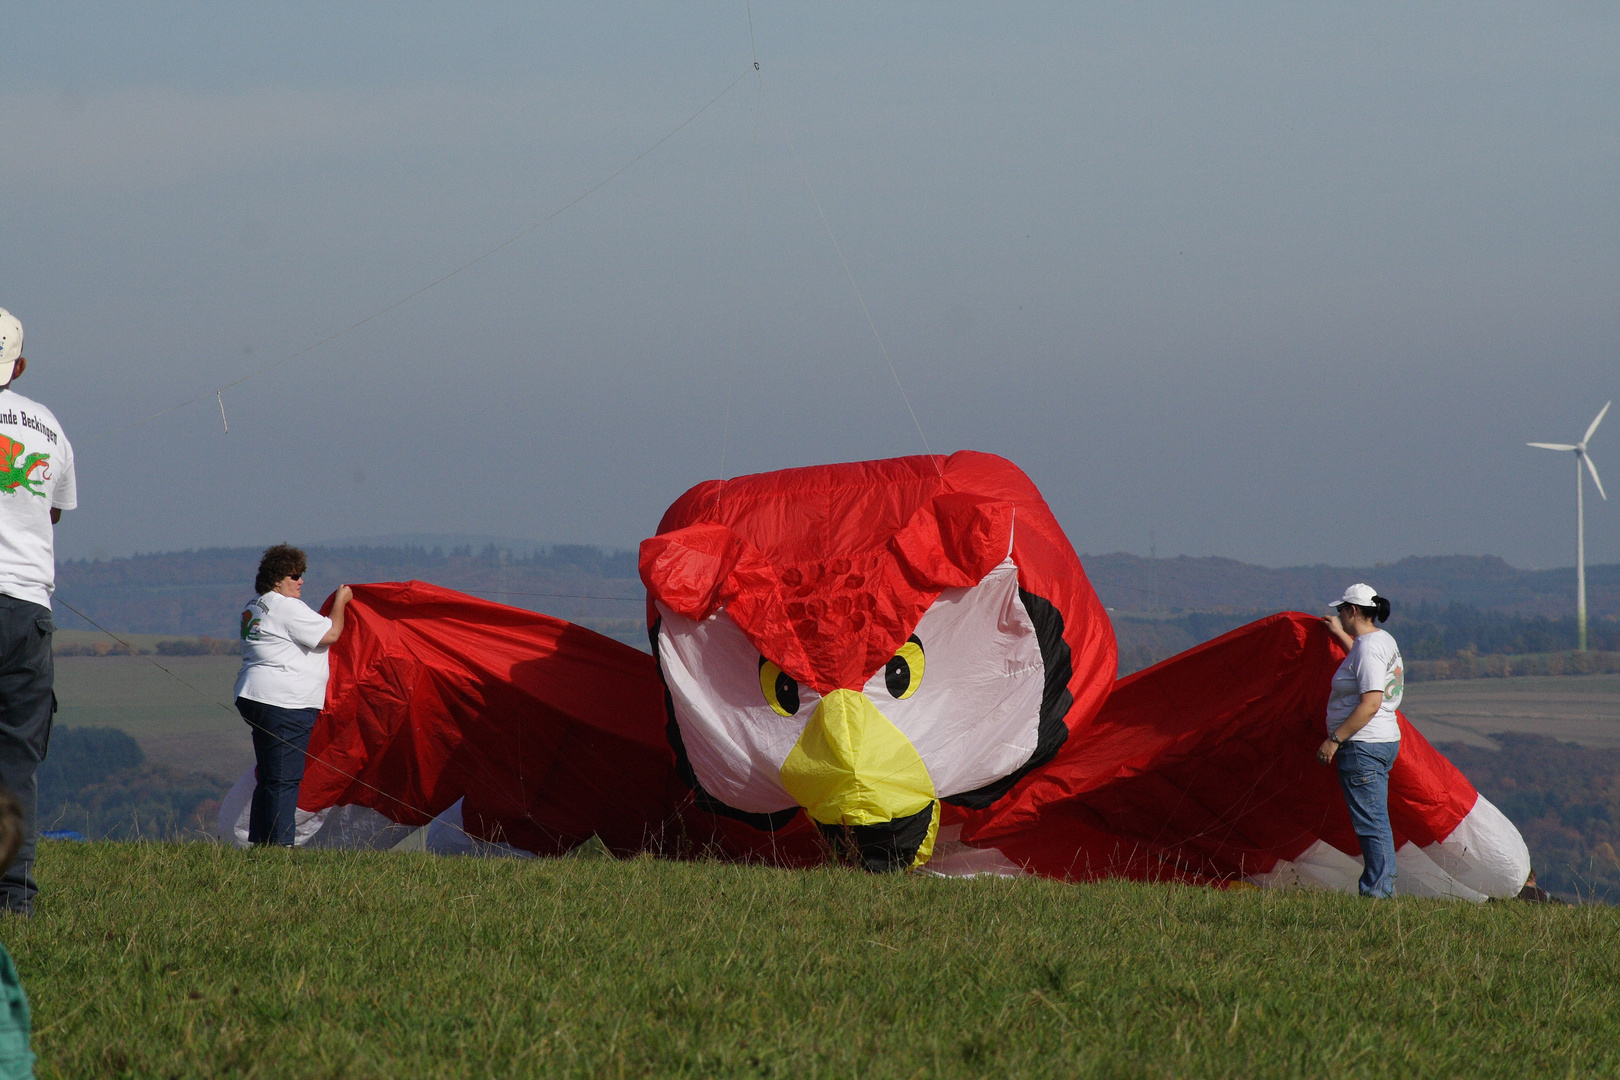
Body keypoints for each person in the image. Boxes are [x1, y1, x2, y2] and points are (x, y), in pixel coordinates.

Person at [0, 308, 76, 915]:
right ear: (18, 366)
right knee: (18, 755)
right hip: (27, 607)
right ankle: (14, 893)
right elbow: (51, 512)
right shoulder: (48, 427)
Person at [234, 544, 352, 846]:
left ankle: (261, 843)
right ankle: (281, 847)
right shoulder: (286, 606)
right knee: (285, 779)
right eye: (294, 575)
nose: (301, 581)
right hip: (285, 701)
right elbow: (330, 634)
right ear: (277, 579)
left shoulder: (254, 606)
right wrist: (342, 601)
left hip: (255, 695)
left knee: (271, 776)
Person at [1318, 582, 1404, 898]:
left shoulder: (1368, 648)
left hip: (1362, 746)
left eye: (1341, 610)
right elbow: (1361, 656)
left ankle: (1379, 893)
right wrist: (1339, 634)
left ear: (1352, 610)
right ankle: (1380, 888)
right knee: (1374, 820)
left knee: (1371, 824)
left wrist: (1334, 740)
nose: (1339, 614)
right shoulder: (1379, 641)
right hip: (1380, 742)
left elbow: (1369, 702)